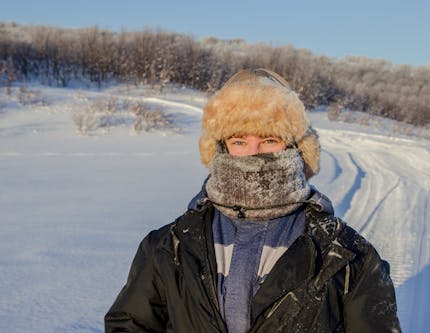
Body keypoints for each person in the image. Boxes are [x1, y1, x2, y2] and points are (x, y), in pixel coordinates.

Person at [105, 68, 401, 332]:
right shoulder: (169, 247)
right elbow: (130, 324)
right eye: (239, 141)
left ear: (297, 148)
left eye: (269, 139)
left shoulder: (346, 256)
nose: (254, 153)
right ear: (221, 148)